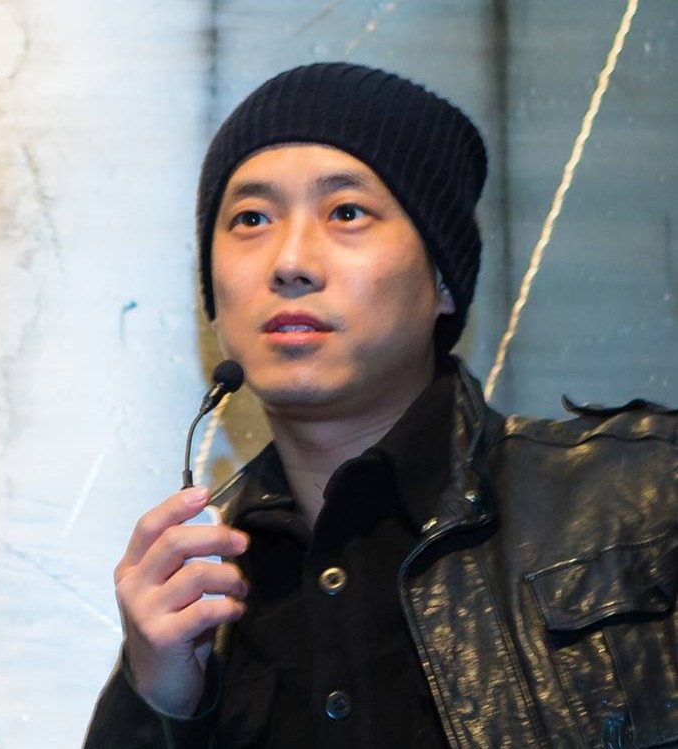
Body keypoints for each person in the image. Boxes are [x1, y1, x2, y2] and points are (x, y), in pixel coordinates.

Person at [84, 63, 678, 749]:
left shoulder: (641, 500)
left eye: (346, 212)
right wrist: (160, 702)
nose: (290, 261)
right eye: (251, 218)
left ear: (444, 279)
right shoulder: (200, 597)